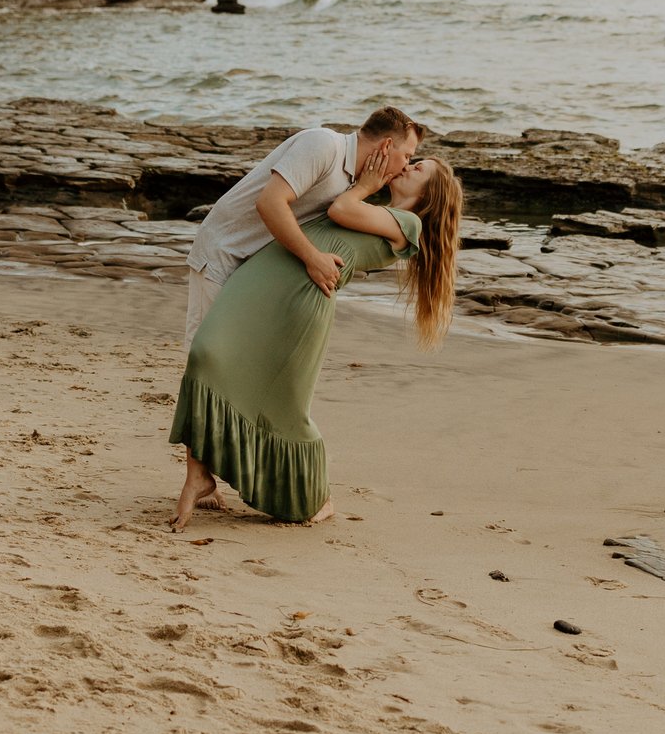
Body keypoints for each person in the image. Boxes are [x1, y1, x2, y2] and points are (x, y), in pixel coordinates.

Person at [168, 150, 464, 529]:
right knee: (208, 355)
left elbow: (341, 211)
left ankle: (314, 497)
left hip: (300, 298)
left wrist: (366, 185)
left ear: (430, 193)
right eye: (412, 159)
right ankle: (202, 475)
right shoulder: (374, 206)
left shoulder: (408, 224)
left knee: (283, 403)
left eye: (417, 167)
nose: (407, 165)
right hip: (266, 278)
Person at [182, 106, 426, 345]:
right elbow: (269, 203)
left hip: (250, 268)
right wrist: (313, 258)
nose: (406, 166)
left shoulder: (352, 180)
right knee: (209, 355)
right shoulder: (324, 145)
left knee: (237, 357)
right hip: (222, 252)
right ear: (385, 146)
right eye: (407, 155)